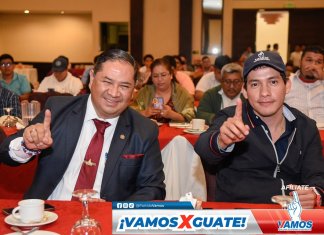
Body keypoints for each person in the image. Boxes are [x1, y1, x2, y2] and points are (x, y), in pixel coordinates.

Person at [0, 49, 166, 201]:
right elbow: (5, 153)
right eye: (107, 82)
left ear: (133, 89)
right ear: (92, 78)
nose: (114, 93)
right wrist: (27, 145)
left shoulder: (144, 130)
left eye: (124, 86)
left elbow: (153, 188)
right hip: (48, 212)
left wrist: (113, 210)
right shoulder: (58, 110)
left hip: (105, 221)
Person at [195, 51, 324, 208]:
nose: (264, 93)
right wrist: (221, 141)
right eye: (255, 84)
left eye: (273, 82)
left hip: (289, 218)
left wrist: (315, 194)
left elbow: (317, 177)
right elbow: (203, 147)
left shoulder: (306, 126)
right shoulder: (231, 119)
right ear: (245, 91)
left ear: (287, 85)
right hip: (242, 219)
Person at [132, 58, 195, 123]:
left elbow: (190, 118)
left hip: (175, 132)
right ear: (152, 78)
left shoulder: (182, 93)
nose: (160, 79)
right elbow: (130, 114)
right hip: (148, 131)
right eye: (155, 76)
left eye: (163, 75)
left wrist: (172, 115)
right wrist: (145, 113)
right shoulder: (144, 92)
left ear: (171, 75)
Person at [285, 45, 324, 125]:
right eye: (309, 60)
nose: (313, 66)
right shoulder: (286, 83)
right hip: (296, 134)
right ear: (300, 62)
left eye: (318, 62)